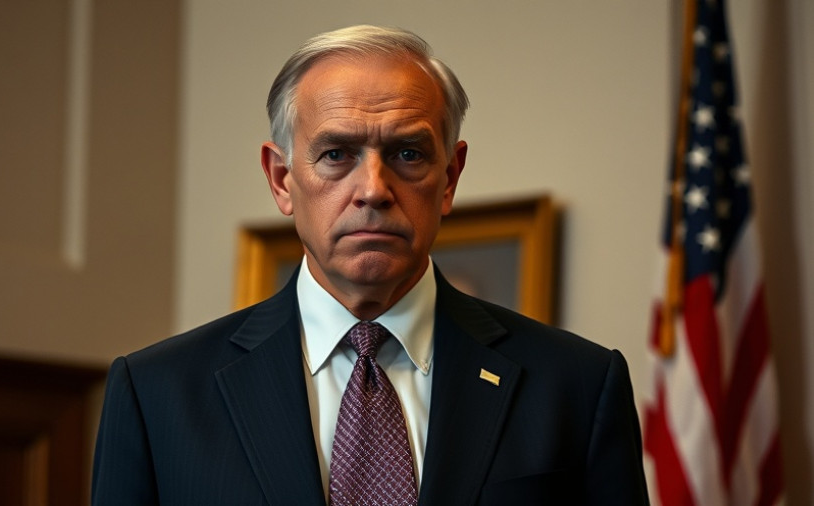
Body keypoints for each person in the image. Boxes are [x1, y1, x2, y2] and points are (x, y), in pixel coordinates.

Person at [91, 25, 649, 505]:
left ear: (450, 178)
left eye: (408, 154)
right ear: (282, 180)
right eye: (337, 154)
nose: (374, 189)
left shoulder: (577, 385)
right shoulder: (157, 394)